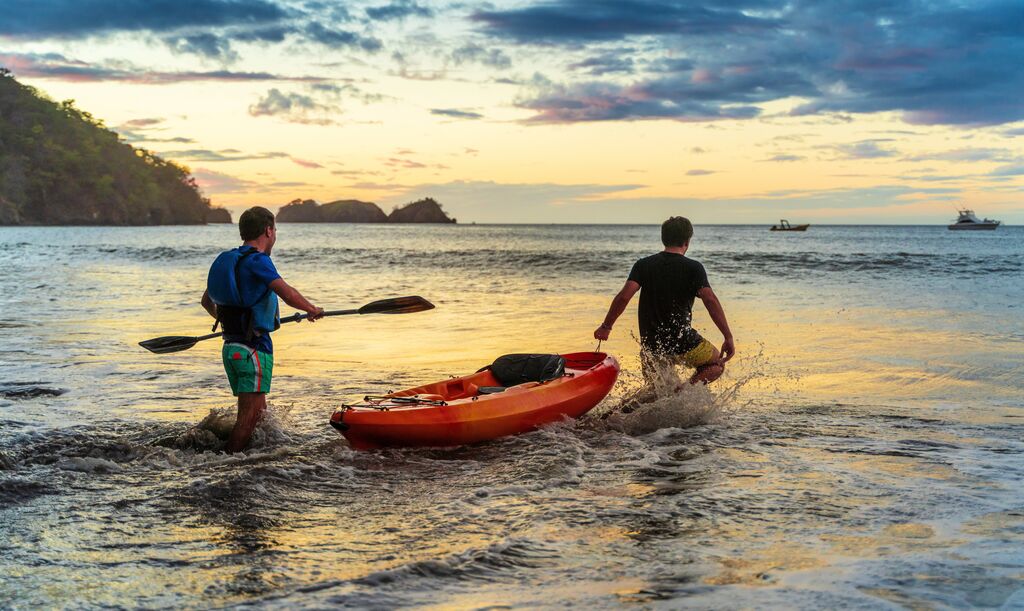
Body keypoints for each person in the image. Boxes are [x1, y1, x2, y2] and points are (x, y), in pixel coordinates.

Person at [201, 206, 324, 452]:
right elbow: (286, 292)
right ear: (268, 230)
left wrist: (231, 324)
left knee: (259, 415)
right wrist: (312, 309)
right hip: (253, 350)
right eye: (275, 229)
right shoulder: (258, 261)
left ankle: (257, 464)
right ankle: (225, 465)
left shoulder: (230, 261)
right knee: (247, 420)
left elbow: (207, 301)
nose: (275, 234)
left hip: (232, 348)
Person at [594, 216, 735, 408]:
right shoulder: (694, 268)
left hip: (651, 344)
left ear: (663, 238)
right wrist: (727, 336)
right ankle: (682, 393)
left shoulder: (643, 264)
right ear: (687, 241)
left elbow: (624, 297)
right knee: (716, 364)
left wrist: (606, 326)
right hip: (683, 342)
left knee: (655, 391)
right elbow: (710, 299)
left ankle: (611, 418)